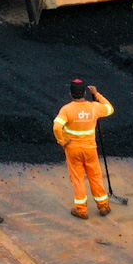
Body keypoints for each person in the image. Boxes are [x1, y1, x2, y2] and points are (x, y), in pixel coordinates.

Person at [52, 78, 115, 219]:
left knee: (78, 179)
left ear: (71, 94)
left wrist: (62, 141)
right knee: (95, 177)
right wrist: (97, 94)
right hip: (90, 149)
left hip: (73, 149)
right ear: (85, 93)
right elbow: (110, 109)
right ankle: (103, 206)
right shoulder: (95, 107)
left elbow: (57, 127)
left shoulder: (67, 109)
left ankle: (82, 210)